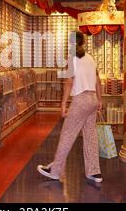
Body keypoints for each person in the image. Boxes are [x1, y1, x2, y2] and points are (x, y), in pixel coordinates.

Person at [37, 31, 103, 183]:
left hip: (80, 100)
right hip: (92, 99)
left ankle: (55, 171)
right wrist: (100, 100)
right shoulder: (91, 59)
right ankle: (94, 172)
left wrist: (63, 104)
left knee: (67, 135)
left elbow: (69, 82)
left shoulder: (72, 58)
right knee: (90, 136)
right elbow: (98, 82)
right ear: (84, 43)